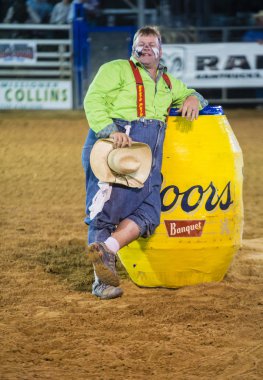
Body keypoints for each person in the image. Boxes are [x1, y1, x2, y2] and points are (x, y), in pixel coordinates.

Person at [82, 25, 208, 300]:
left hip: (148, 155)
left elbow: (197, 95)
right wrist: (108, 129)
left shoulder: (169, 83)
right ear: (134, 49)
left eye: (153, 44)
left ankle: (109, 248)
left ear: (161, 51)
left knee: (150, 211)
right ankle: (100, 282)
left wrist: (191, 98)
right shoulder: (115, 68)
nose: (147, 47)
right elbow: (93, 99)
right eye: (142, 43)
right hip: (117, 146)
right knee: (105, 210)